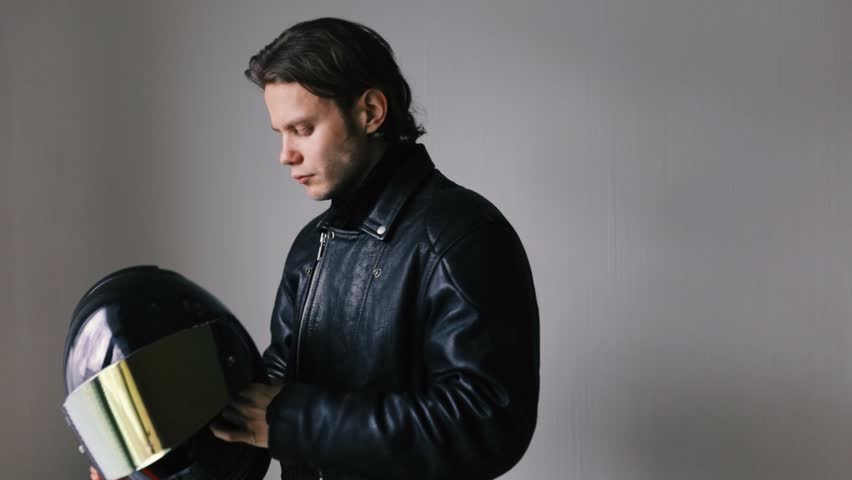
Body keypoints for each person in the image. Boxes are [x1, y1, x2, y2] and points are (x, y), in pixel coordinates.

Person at [92, 16, 539, 480]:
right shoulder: (312, 248)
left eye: (302, 129)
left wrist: (291, 420)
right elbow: (260, 400)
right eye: (280, 133)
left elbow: (486, 422)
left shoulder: (461, 235)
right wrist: (141, 462)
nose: (286, 154)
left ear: (370, 111)